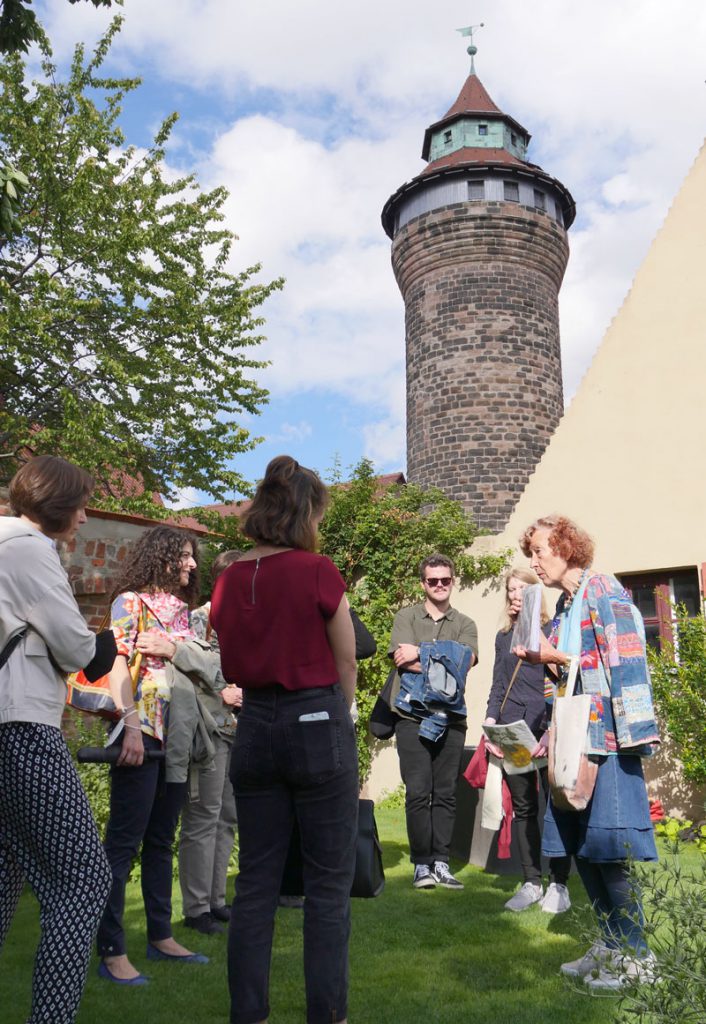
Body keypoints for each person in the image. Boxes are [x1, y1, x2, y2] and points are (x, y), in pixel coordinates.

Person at [211, 455, 358, 1024]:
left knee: (256, 882)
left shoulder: (227, 577)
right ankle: (327, 1014)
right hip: (314, 718)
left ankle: (248, 1014)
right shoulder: (315, 570)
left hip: (254, 725)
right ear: (304, 513)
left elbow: (227, 652)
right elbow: (346, 658)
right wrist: (337, 715)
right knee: (326, 884)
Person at [516, 515, 660, 991]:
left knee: (608, 851)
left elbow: (626, 654)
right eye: (531, 553)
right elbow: (572, 676)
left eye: (539, 550)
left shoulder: (603, 589)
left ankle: (638, 958)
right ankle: (610, 944)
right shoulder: (567, 602)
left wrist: (553, 657)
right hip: (576, 741)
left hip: (607, 742)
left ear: (565, 546)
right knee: (582, 849)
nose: (533, 561)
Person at [0, 455, 117, 1023]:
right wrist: (107, 642)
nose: (86, 515)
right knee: (83, 881)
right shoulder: (26, 550)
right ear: (59, 507)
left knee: (3, 883)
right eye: (80, 504)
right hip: (19, 728)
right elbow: (76, 650)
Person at [97, 525, 209, 984]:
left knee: (162, 839)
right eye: (184, 556)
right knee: (123, 844)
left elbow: (201, 666)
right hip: (142, 730)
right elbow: (116, 663)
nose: (192, 565)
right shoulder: (129, 603)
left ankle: (161, 935)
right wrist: (131, 725)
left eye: (192, 556)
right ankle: (111, 949)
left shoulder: (183, 613)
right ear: (160, 556)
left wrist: (178, 648)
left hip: (179, 734)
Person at [484, 568, 572, 913]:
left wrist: (553, 728)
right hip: (513, 730)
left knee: (556, 804)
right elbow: (497, 684)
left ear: (536, 594)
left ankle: (559, 884)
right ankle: (531, 882)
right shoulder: (503, 637)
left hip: (547, 729)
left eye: (522, 589)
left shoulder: (552, 631)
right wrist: (490, 723)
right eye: (511, 590)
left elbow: (564, 681)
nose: (515, 595)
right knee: (523, 808)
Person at [388, 554, 477, 890]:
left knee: (445, 794)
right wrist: (443, 655)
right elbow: (402, 659)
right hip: (411, 716)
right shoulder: (406, 616)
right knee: (417, 792)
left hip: (452, 717)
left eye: (445, 580)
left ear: (453, 581)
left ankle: (441, 862)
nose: (439, 586)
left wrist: (421, 652)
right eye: (432, 581)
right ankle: (421, 865)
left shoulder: (466, 623)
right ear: (422, 583)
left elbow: (463, 665)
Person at [180, 549, 244, 934]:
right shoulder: (199, 620)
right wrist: (221, 694)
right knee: (203, 817)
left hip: (240, 729)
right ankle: (195, 908)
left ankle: (217, 900)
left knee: (228, 817)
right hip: (209, 731)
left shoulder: (242, 621)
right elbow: (184, 672)